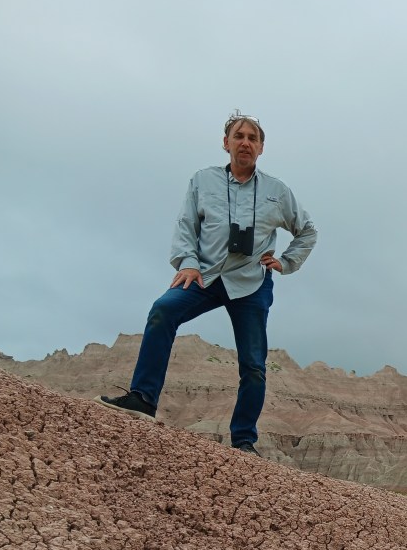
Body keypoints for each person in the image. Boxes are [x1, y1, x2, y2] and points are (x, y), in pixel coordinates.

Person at [98, 111, 318, 456]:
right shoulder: (202, 181)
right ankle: (142, 398)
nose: (245, 142)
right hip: (205, 275)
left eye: (253, 138)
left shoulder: (278, 192)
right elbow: (186, 226)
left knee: (254, 366)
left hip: (251, 284)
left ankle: (244, 440)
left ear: (261, 148)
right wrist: (187, 263)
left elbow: (307, 231)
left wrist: (286, 262)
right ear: (226, 142)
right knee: (162, 311)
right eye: (239, 135)